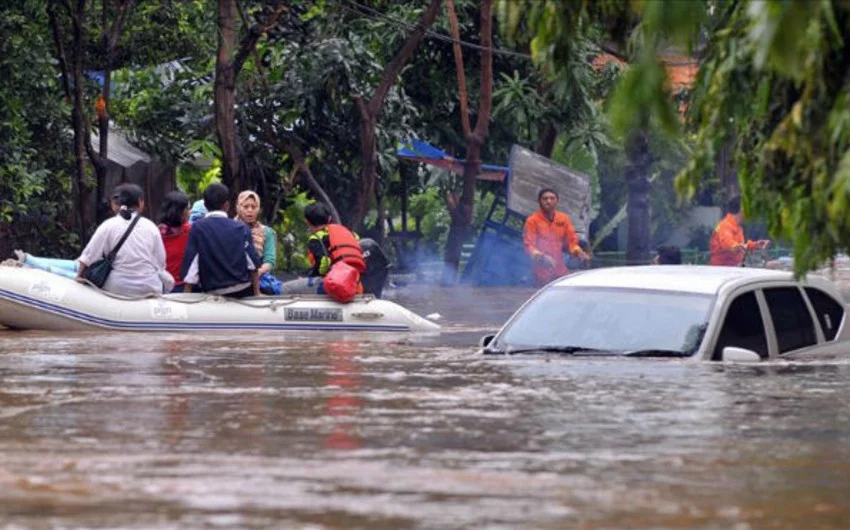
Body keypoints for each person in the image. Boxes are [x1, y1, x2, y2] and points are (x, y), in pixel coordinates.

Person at [77, 183, 168, 296]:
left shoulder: (108, 225)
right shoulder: (151, 227)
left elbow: (88, 258)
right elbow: (161, 262)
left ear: (116, 203)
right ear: (140, 202)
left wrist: (78, 279)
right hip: (148, 286)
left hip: (118, 286)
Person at [180, 183, 263, 298]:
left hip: (213, 291)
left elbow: (191, 267)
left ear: (205, 205)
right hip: (242, 289)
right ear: (227, 205)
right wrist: (257, 293)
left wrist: (186, 297)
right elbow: (253, 264)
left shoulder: (198, 228)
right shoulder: (241, 228)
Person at [280, 203, 365, 295]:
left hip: (334, 284)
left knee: (285, 288)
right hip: (356, 284)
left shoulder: (316, 239)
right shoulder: (350, 233)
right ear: (329, 219)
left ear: (307, 222)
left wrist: (309, 278)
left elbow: (323, 265)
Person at [522, 188, 590, 286]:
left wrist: (579, 253)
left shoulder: (563, 219)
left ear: (557, 201)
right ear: (539, 201)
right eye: (545, 199)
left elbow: (572, 242)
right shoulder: (532, 221)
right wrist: (542, 257)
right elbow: (529, 246)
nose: (548, 201)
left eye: (552, 198)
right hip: (540, 273)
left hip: (560, 271)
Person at [234, 190, 280, 294]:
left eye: (254, 207)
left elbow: (269, 260)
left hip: (259, 280)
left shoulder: (267, 232)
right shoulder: (229, 229)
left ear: (258, 209)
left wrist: (256, 274)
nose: (250, 210)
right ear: (237, 208)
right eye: (245, 207)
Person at [709, 196, 770, 266]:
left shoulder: (738, 227)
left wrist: (755, 245)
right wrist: (747, 246)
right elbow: (733, 246)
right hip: (722, 271)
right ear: (742, 210)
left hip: (733, 269)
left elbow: (739, 247)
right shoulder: (724, 227)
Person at [157, 191, 191, 293]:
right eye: (187, 208)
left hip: (161, 284)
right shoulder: (189, 231)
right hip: (184, 286)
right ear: (180, 212)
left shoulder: (156, 231)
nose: (190, 211)